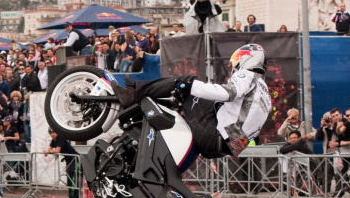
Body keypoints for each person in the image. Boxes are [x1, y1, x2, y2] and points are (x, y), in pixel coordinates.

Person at [115, 44, 271, 159]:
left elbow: (227, 93)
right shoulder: (266, 96)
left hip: (213, 134)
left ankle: (134, 92)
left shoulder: (248, 75)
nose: (234, 67)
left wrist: (190, 84)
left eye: (236, 60)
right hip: (220, 148)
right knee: (204, 99)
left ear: (247, 58)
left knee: (188, 82)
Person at [45, 129, 80, 198]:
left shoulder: (60, 138)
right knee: (69, 179)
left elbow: (57, 150)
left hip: (75, 160)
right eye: (50, 133)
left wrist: (48, 152)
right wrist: (47, 151)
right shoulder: (54, 140)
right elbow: (49, 148)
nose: (52, 134)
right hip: (69, 161)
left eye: (53, 132)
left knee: (73, 179)